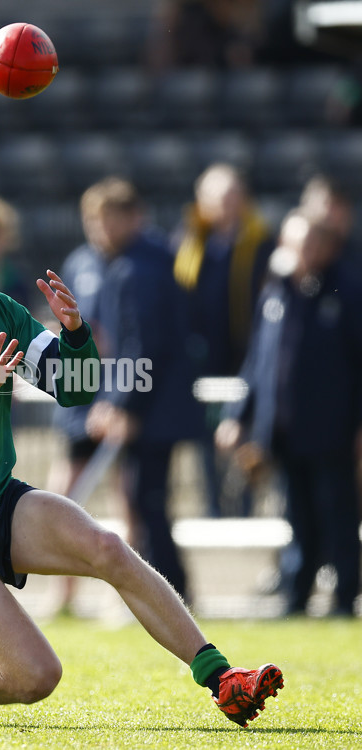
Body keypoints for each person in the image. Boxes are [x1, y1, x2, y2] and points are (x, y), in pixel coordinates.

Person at [0, 173, 283, 728]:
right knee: (36, 676)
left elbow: (77, 386)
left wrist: (74, 335)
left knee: (109, 548)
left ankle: (222, 678)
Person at [52, 176, 205, 603]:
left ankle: (169, 594)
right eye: (92, 220)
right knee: (144, 500)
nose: (99, 230)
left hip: (152, 408)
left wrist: (123, 405)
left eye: (108, 219)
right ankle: (166, 594)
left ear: (132, 218)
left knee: (147, 501)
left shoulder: (141, 267)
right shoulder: (110, 263)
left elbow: (146, 345)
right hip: (138, 402)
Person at [215, 209, 362, 615]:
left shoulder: (347, 290)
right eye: (298, 244)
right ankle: (297, 594)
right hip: (285, 431)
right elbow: (257, 363)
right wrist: (236, 415)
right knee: (297, 515)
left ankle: (344, 596)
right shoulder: (276, 292)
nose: (305, 252)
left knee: (337, 514)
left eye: (313, 244)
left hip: (332, 429)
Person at [170, 162, 274, 516]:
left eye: (232, 196)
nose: (225, 204)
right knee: (205, 440)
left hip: (245, 356)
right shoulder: (188, 246)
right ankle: (213, 507)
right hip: (202, 361)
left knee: (242, 434)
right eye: (217, 197)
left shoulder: (262, 246)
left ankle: (244, 507)